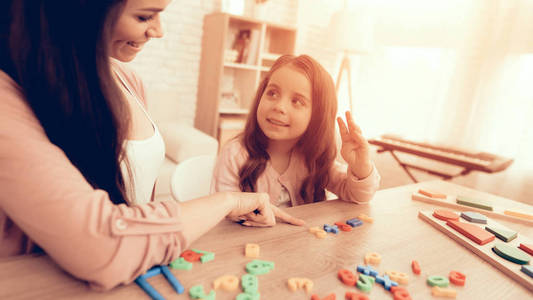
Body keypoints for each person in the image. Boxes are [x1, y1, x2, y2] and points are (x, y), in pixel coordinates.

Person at [0, 0, 303, 290]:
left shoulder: (127, 79)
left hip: (137, 276)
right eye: (145, 17)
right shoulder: (10, 99)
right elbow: (100, 242)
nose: (159, 31)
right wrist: (228, 200)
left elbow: (142, 198)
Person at [211, 55, 380, 219]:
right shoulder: (234, 154)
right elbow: (221, 211)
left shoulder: (314, 159)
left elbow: (359, 196)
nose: (279, 106)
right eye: (272, 93)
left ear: (317, 116)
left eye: (297, 101)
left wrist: (361, 166)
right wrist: (249, 215)